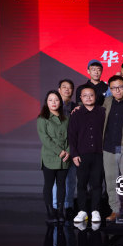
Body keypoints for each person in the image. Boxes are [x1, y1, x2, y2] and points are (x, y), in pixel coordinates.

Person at [68, 86, 106, 223]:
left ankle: (95, 210)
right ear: (81, 98)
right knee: (82, 184)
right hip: (81, 155)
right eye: (85, 95)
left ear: (95, 97)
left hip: (98, 154)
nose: (88, 98)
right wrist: (74, 154)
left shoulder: (102, 112)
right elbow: (71, 136)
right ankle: (82, 211)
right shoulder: (76, 114)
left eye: (91, 95)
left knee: (97, 184)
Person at [102, 75, 123, 222]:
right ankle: (115, 210)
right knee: (111, 181)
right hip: (108, 147)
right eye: (114, 88)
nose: (117, 90)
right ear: (110, 89)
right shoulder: (106, 102)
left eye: (120, 87)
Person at [37, 91, 70, 224]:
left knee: (62, 185)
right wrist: (59, 151)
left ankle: (60, 211)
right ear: (47, 102)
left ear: (60, 102)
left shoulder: (66, 119)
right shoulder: (42, 119)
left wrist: (68, 152)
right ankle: (50, 212)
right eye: (50, 100)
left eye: (56, 100)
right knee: (49, 185)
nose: (54, 102)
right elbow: (45, 139)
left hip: (65, 157)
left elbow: (71, 137)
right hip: (50, 156)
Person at [52, 79, 77, 219]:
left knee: (71, 180)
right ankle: (56, 207)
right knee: (58, 181)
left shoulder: (76, 107)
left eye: (70, 87)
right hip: (58, 150)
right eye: (64, 87)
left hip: (72, 148)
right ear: (59, 90)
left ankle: (68, 206)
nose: (67, 89)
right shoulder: (53, 106)